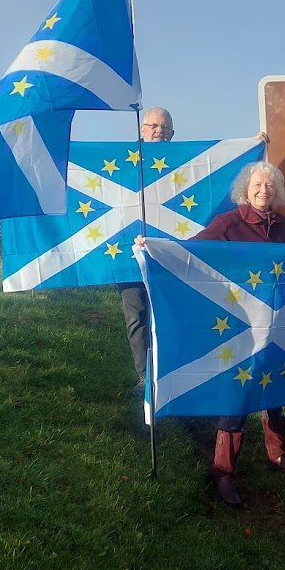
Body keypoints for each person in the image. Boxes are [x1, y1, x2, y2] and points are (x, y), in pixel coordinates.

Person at [192, 160, 285, 508]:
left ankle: (278, 456)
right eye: (257, 185)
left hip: (279, 322)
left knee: (275, 389)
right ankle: (222, 472)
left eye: (270, 186)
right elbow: (193, 249)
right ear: (246, 188)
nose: (263, 190)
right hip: (241, 325)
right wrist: (154, 247)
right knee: (238, 395)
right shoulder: (229, 223)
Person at [120, 107, 173, 398]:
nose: (158, 131)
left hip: (166, 257)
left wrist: (255, 145)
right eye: (153, 125)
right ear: (142, 128)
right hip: (129, 255)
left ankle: (166, 372)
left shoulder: (186, 163)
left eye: (164, 128)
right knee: (136, 316)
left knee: (166, 316)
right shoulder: (124, 160)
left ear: (172, 134)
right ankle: (143, 375)